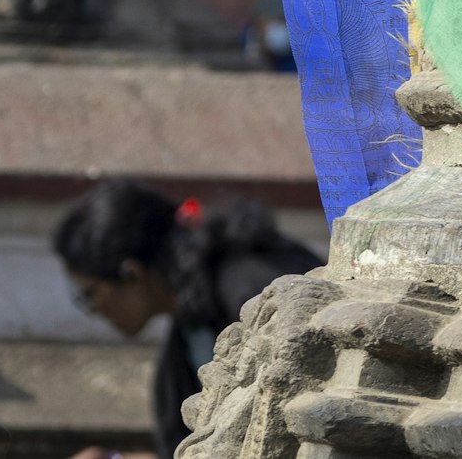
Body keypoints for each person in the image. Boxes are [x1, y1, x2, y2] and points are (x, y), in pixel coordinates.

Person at [54, 179, 322, 459]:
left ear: (132, 274)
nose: (94, 310)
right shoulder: (187, 331)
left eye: (90, 294)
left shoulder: (252, 289)